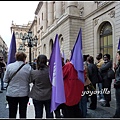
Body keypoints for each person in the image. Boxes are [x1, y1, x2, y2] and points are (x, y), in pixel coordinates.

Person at [3, 52, 31, 118]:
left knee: (12, 113)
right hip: (24, 93)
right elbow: (30, 80)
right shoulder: (28, 67)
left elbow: (5, 80)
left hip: (11, 93)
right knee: (23, 113)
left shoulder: (9, 66)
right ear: (24, 58)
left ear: (16, 58)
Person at [112, 50, 120, 118]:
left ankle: (117, 116)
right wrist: (115, 68)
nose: (117, 56)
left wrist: (116, 83)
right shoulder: (119, 64)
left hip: (119, 86)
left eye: (118, 55)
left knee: (118, 102)